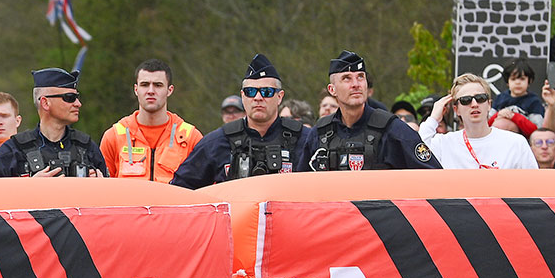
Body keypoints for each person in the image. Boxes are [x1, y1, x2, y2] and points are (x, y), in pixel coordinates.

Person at [172, 53, 312, 186]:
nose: (258, 98)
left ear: (280, 96)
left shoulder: (304, 139)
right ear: (242, 96)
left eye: (266, 92)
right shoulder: (217, 143)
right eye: (250, 92)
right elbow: (181, 189)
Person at [300, 52, 441, 171]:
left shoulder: (392, 129)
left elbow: (432, 176)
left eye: (360, 77)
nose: (356, 84)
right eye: (346, 78)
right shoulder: (320, 133)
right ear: (332, 90)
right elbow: (299, 186)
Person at [0, 68, 108, 178]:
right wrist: (29, 188)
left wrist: (100, 185)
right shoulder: (14, 150)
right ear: (45, 103)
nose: (77, 104)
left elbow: (110, 200)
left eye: (77, 97)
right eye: (69, 98)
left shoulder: (86, 147)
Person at [98, 59, 200, 181]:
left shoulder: (190, 137)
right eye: (145, 84)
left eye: (158, 85)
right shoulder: (114, 136)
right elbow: (102, 189)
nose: (151, 91)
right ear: (136, 90)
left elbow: (206, 188)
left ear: (170, 90)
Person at [419, 73, 537, 169]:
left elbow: (533, 187)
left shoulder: (516, 143)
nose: (474, 104)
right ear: (456, 109)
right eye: (466, 100)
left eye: (480, 98)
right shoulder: (443, 143)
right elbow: (417, 153)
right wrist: (433, 118)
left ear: (489, 104)